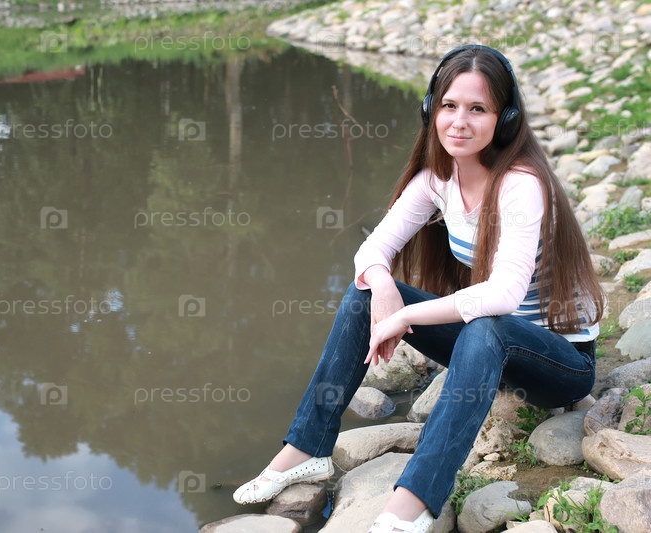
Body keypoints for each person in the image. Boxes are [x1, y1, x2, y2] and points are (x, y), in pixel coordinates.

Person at [232, 44, 604, 533]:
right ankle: (307, 448)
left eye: (478, 109)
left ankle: (413, 506)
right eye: (449, 105)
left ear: (505, 119)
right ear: (431, 110)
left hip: (561, 364)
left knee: (487, 325)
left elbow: (504, 296)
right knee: (363, 295)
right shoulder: (436, 179)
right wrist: (384, 286)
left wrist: (405, 316)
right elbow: (371, 251)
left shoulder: (522, 184)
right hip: (493, 350)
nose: (459, 122)